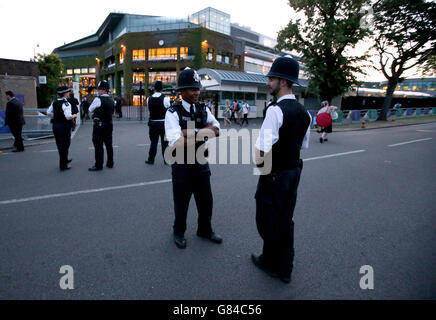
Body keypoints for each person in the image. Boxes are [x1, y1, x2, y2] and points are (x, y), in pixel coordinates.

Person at [253, 56, 311, 284]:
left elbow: (261, 148)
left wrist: (261, 169)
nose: (268, 83)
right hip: (294, 172)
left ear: (283, 81)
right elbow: (303, 145)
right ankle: (286, 265)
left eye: (271, 79)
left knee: (267, 219)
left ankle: (271, 261)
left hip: (274, 174)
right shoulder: (305, 113)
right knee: (286, 218)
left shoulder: (275, 110)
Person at [165, 67, 222, 249]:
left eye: (198, 88)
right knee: (182, 202)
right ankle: (179, 232)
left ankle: (205, 229)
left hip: (200, 162)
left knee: (206, 200)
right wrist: (204, 132)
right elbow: (177, 143)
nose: (197, 92)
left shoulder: (203, 108)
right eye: (192, 88)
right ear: (181, 91)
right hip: (182, 165)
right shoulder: (173, 112)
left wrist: (191, 133)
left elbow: (217, 131)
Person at [47, 86, 77, 171]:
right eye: (68, 92)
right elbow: (68, 117)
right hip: (64, 126)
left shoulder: (54, 102)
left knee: (59, 144)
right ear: (64, 94)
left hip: (56, 125)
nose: (69, 93)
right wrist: (74, 115)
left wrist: (57, 115)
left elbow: (48, 113)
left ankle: (65, 160)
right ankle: (63, 165)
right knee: (65, 144)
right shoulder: (66, 103)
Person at [88, 80, 115, 171]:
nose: (98, 91)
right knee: (109, 144)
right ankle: (110, 163)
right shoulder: (112, 100)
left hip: (99, 125)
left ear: (103, 90)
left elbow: (90, 109)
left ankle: (99, 164)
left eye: (99, 89)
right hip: (109, 124)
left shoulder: (98, 99)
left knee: (98, 145)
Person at [145, 80, 170, 165]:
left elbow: (149, 109)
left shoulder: (149, 99)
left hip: (153, 123)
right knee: (165, 143)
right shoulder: (166, 99)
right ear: (162, 88)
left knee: (153, 142)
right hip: (163, 123)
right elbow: (169, 110)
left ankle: (151, 159)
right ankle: (166, 160)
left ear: (154, 88)